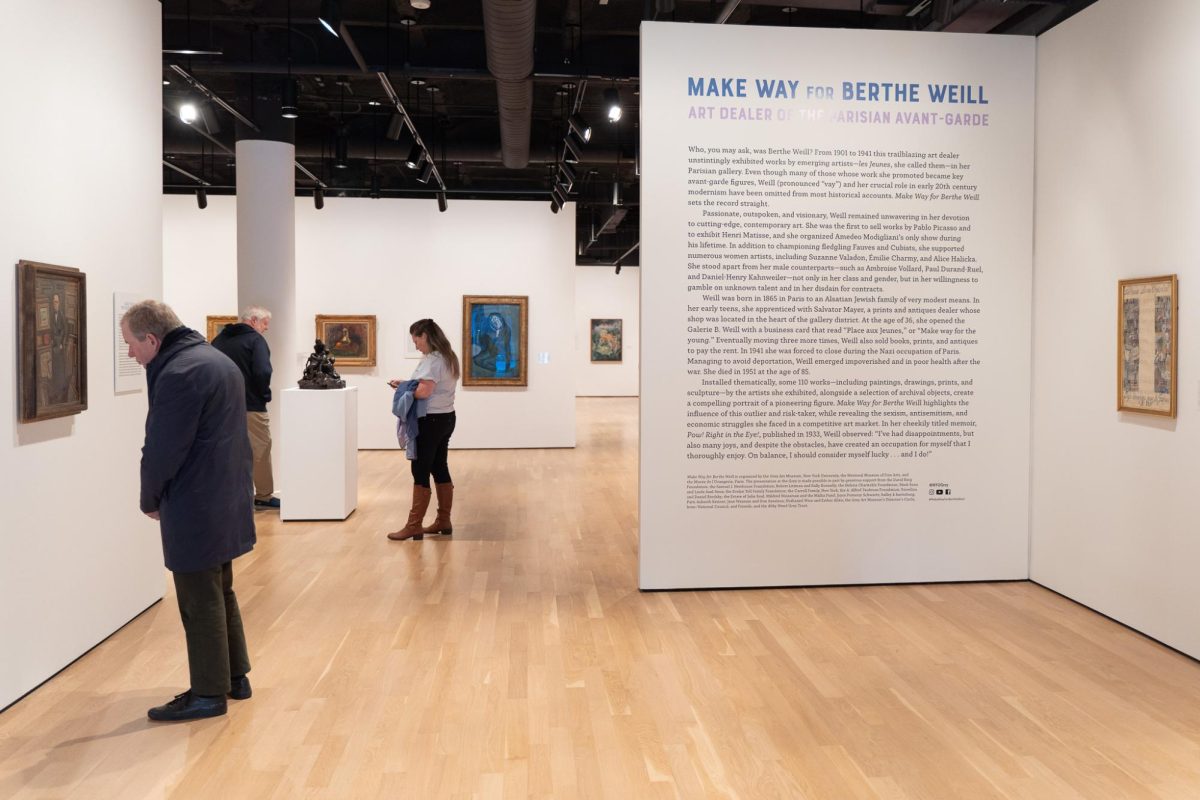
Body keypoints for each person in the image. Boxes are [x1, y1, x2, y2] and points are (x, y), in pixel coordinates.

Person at [121, 300, 256, 722]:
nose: (129, 353)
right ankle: (235, 677)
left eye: (130, 344)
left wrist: (150, 498)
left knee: (199, 599)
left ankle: (208, 693)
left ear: (152, 339)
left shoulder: (180, 374)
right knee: (220, 589)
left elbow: (162, 449)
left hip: (196, 499)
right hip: (223, 494)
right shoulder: (214, 361)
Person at [386, 318, 460, 541]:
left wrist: (406, 389)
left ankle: (414, 525)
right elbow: (426, 386)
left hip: (430, 420)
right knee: (439, 466)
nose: (415, 344)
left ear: (425, 336)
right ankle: (443, 520)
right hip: (446, 417)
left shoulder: (433, 361)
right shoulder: (446, 357)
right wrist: (407, 383)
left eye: (416, 339)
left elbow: (425, 391)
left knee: (420, 470)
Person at [212, 306, 279, 510]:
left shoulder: (219, 340)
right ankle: (264, 495)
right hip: (251, 405)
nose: (266, 329)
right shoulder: (255, 340)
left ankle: (229, 495)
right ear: (253, 321)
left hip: (222, 405)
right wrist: (263, 395)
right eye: (265, 323)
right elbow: (262, 371)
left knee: (227, 450)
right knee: (260, 450)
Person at [49, 292, 69, 403]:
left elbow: (65, 331)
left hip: (60, 347)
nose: (54, 304)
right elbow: (51, 330)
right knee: (55, 369)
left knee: (60, 369)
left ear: (59, 303)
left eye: (56, 302)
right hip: (53, 346)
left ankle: (61, 391)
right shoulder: (51, 315)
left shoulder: (62, 315)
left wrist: (62, 343)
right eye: (53, 302)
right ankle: (56, 390)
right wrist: (52, 340)